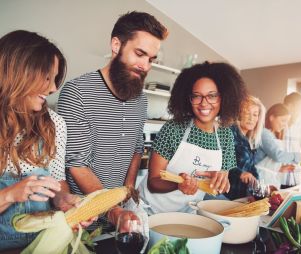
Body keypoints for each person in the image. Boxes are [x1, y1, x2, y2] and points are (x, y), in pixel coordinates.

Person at [57, 11, 168, 228]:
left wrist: (127, 193)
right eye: (139, 54)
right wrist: (113, 211)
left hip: (120, 214)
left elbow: (136, 148)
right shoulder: (77, 92)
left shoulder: (141, 100)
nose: (145, 66)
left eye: (151, 59)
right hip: (83, 217)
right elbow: (77, 164)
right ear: (116, 45)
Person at [0, 30, 81, 252]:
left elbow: (57, 180)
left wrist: (62, 199)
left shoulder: (55, 124)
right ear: (18, 72)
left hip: (45, 244)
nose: (54, 87)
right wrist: (9, 194)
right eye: (47, 77)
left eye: (55, 78)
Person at [138, 61, 247, 214]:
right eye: (197, 96)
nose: (204, 103)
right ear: (188, 99)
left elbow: (220, 185)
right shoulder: (173, 129)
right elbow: (153, 182)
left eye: (212, 96)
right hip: (149, 211)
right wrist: (179, 184)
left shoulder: (225, 136)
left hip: (186, 215)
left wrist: (220, 183)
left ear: (224, 98)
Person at [225, 96, 266, 200]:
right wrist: (240, 173)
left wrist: (258, 186)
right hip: (225, 194)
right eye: (247, 113)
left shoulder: (249, 139)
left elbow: (252, 167)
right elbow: (222, 162)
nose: (251, 118)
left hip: (240, 196)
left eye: (255, 114)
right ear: (238, 114)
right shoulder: (229, 132)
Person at [255, 103, 301, 187]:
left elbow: (268, 162)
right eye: (283, 120)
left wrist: (279, 169)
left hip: (270, 180)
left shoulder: (272, 135)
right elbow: (278, 155)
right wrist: (300, 155)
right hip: (261, 181)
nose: (285, 125)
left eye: (287, 122)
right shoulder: (264, 133)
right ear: (271, 117)